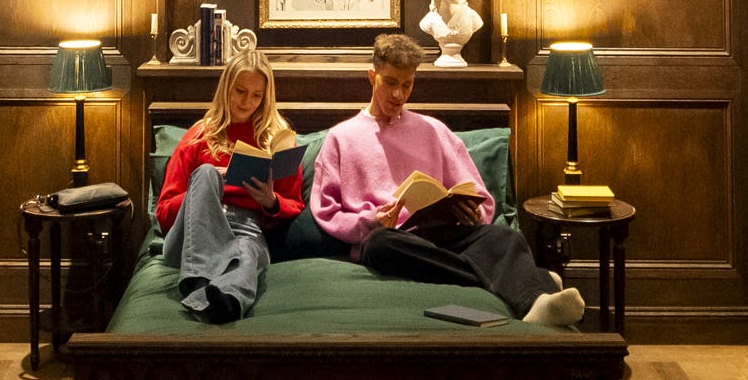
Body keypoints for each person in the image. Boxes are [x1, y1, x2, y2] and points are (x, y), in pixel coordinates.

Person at [309, 33, 587, 327]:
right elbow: (326, 211)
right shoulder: (341, 137)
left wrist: (473, 212)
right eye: (390, 83)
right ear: (371, 76)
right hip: (392, 239)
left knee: (504, 237)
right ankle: (533, 279)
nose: (398, 95)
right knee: (380, 246)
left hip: (443, 235)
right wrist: (371, 221)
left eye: (407, 85)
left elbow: (477, 193)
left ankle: (538, 303)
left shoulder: (433, 130)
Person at [154, 51, 303, 323]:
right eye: (240, 91)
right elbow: (163, 213)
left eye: (257, 96)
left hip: (246, 230)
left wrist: (270, 201)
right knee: (206, 173)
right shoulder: (199, 136)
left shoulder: (276, 139)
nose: (247, 102)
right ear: (226, 89)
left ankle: (226, 303)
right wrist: (207, 187)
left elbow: (294, 203)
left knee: (245, 251)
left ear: (266, 97)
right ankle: (199, 280)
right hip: (191, 235)